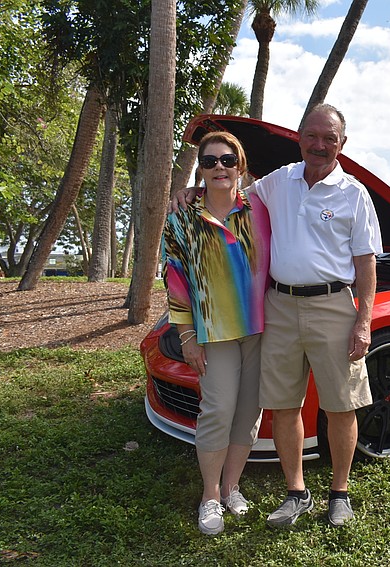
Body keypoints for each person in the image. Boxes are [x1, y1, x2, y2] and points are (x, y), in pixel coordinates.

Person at [174, 104, 382, 528]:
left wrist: (364, 321)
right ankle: (296, 492)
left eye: (330, 138)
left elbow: (366, 264)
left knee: (341, 406)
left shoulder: (354, 193)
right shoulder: (278, 181)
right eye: (312, 135)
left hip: (333, 306)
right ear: (300, 137)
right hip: (279, 308)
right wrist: (194, 191)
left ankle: (339, 494)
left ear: (342, 143)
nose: (319, 145)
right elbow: (228, 191)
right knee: (285, 406)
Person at [163, 131, 270, 535]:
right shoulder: (182, 217)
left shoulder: (261, 207)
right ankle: (209, 496)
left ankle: (231, 488)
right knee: (218, 409)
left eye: (227, 160)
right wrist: (187, 336)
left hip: (261, 329)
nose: (219, 167)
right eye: (209, 162)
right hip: (214, 331)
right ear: (200, 170)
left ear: (240, 165)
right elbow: (174, 280)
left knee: (248, 413)